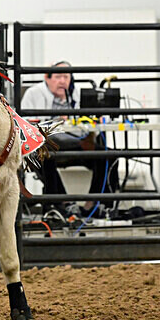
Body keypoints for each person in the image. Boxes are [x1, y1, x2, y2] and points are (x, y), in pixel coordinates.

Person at [21, 61, 118, 217]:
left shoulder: (77, 94)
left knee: (109, 156)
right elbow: (26, 127)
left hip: (77, 143)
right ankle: (60, 203)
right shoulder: (34, 94)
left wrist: (93, 122)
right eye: (58, 76)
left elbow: (90, 122)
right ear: (47, 77)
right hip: (46, 144)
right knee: (44, 154)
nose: (63, 81)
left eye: (66, 77)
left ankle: (95, 205)